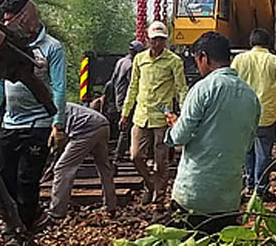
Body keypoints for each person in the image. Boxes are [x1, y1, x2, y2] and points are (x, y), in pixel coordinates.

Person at [0, 0, 67, 233]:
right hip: (10, 124)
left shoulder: (52, 48)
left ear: (26, 17)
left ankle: (22, 230)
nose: (6, 25)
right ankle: (16, 224)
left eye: (11, 20)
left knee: (27, 181)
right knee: (5, 179)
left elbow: (59, 88)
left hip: (38, 124)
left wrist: (58, 125)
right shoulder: (6, 46)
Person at [165, 32, 261, 234]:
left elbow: (179, 137)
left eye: (197, 60)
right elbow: (249, 144)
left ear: (204, 57)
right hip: (228, 200)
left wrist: (174, 125)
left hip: (194, 195)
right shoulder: (251, 96)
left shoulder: (203, 89)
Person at [120, 21, 188, 204]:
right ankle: (150, 183)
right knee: (136, 156)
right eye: (154, 40)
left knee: (161, 162)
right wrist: (125, 112)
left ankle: (159, 199)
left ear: (165, 41)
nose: (157, 43)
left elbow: (181, 88)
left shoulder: (174, 61)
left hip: (161, 118)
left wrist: (182, 114)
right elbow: (133, 87)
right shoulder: (140, 60)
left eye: (161, 40)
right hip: (141, 116)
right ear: (148, 40)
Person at [233, 29, 276, 200]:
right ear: (268, 43)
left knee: (248, 152)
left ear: (251, 42)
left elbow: (230, 82)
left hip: (244, 116)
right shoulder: (275, 61)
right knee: (264, 153)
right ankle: (261, 189)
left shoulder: (239, 60)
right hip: (266, 115)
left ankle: (249, 186)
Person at [37, 103, 117, 227]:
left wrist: (52, 167)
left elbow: (59, 141)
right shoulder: (60, 104)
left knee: (62, 168)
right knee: (103, 166)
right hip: (102, 123)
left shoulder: (45, 112)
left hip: (85, 128)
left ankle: (56, 213)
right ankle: (110, 206)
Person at [111, 40, 145, 161]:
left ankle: (124, 152)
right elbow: (134, 84)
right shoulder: (131, 65)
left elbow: (113, 81)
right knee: (127, 129)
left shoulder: (121, 62)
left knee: (126, 127)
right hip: (127, 100)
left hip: (119, 98)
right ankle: (118, 156)